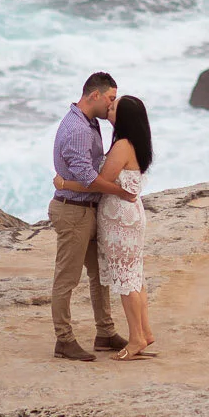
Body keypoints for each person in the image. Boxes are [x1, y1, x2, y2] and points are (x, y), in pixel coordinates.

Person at [55, 92, 155, 360]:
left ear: (124, 118)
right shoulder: (135, 143)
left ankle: (136, 340)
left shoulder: (122, 145)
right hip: (129, 214)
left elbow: (99, 181)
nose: (109, 107)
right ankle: (144, 332)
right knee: (134, 275)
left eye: (115, 106)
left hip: (120, 217)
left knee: (125, 279)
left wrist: (64, 184)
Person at [48, 70, 135, 362]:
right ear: (94, 95)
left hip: (88, 210)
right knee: (67, 278)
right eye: (110, 99)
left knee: (99, 275)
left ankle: (105, 333)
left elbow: (96, 164)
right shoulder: (77, 130)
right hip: (73, 212)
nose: (112, 105)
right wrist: (119, 192)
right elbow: (88, 178)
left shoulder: (89, 122)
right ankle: (64, 340)